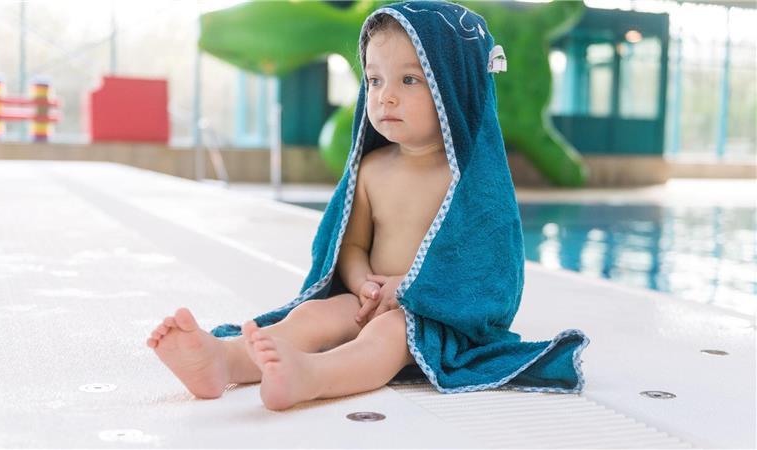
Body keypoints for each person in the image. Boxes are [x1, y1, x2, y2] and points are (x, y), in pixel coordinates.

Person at [147, 1, 589, 412]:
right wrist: (362, 285)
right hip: (367, 297)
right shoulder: (372, 169)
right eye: (375, 80)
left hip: (432, 315)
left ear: (454, 85)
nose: (385, 96)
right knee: (313, 315)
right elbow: (352, 246)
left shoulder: (468, 182)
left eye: (409, 79)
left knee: (387, 334)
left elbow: (485, 263)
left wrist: (408, 289)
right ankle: (224, 359)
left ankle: (313, 376)